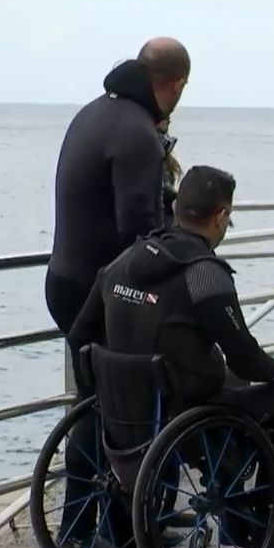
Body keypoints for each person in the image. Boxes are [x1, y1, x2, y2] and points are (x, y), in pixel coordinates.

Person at [67, 165, 274, 548]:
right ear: (222, 215)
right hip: (186, 406)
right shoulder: (204, 275)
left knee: (232, 385)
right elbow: (246, 359)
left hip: (127, 405)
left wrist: (102, 389)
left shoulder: (124, 261)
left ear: (177, 209)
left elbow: (80, 334)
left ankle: (222, 500)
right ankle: (250, 521)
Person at [45, 37, 191, 336]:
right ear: (178, 85)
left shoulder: (92, 113)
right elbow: (139, 235)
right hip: (97, 292)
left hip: (63, 280)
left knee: (97, 380)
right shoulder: (138, 133)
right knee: (131, 379)